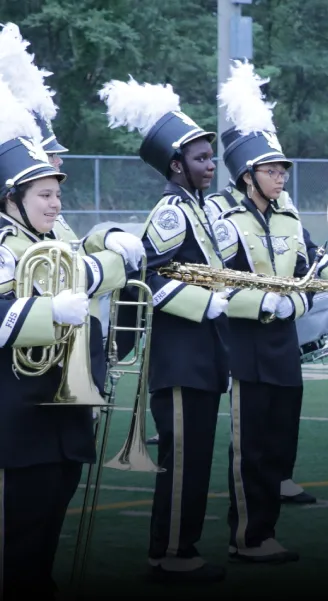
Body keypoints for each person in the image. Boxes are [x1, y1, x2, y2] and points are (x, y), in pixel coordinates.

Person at [0, 79, 141, 600]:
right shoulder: (3, 244)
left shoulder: (54, 238)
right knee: (21, 529)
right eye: (44, 195)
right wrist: (46, 310)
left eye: (58, 193)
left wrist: (108, 235)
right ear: (11, 198)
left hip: (66, 409)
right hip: (22, 408)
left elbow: (86, 250)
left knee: (52, 519)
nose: (57, 204)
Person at [205, 62, 328, 563]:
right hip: (243, 344)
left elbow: (310, 269)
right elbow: (213, 284)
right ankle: (248, 537)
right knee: (250, 450)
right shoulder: (220, 215)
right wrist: (262, 300)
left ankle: (267, 530)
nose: (281, 176)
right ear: (246, 175)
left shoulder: (288, 215)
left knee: (281, 444)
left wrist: (299, 298)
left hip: (284, 345)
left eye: (283, 169)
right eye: (271, 169)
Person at [100, 77, 230, 583]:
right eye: (200, 158)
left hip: (202, 353)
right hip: (179, 357)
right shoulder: (173, 211)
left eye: (210, 157)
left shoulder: (198, 207)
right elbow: (148, 275)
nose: (210, 164)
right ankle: (173, 553)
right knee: (183, 461)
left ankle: (173, 548)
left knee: (195, 459)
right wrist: (205, 302)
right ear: (176, 165)